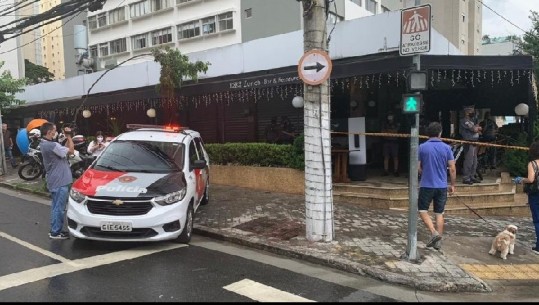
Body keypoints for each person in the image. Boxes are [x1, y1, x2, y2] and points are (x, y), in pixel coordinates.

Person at [418, 122, 456, 251]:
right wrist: (452, 185)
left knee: (422, 210)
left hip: (426, 185)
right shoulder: (447, 148)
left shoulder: (422, 147)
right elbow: (452, 168)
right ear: (440, 133)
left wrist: (424, 173)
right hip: (442, 186)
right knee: (439, 213)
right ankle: (438, 242)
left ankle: (433, 233)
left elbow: (418, 167)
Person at [40, 122, 74, 240]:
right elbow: (71, 151)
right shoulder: (51, 145)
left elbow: (61, 149)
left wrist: (65, 138)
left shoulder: (46, 144)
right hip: (59, 181)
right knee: (59, 208)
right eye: (54, 130)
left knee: (56, 207)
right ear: (49, 132)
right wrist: (69, 136)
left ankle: (55, 230)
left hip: (55, 180)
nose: (56, 132)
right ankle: (55, 232)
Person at [513, 142, 539, 255]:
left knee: (537, 219)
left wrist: (520, 180)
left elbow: (531, 179)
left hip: (535, 193)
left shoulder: (532, 163)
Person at [459, 106, 482, 185]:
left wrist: (477, 128)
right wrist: (476, 128)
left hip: (475, 142)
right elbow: (475, 129)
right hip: (468, 142)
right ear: (467, 112)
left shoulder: (472, 121)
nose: (473, 113)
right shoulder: (464, 121)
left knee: (475, 161)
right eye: (471, 111)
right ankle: (466, 177)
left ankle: (472, 176)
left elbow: (480, 128)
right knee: (469, 160)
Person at [381, 112, 400, 177]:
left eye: (391, 115)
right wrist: (390, 132)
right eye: (389, 116)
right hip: (386, 142)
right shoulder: (384, 124)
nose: (390, 117)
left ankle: (396, 170)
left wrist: (388, 131)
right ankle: (385, 171)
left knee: (395, 157)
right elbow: (382, 132)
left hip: (394, 142)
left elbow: (396, 131)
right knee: (386, 157)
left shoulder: (397, 123)